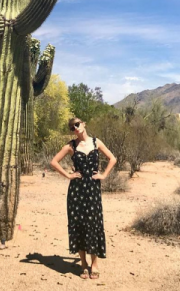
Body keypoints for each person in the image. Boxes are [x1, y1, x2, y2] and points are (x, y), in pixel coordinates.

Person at [50, 117, 117, 280]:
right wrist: (68, 175)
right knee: (79, 224)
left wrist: (103, 175)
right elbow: (53, 162)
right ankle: (83, 263)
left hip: (93, 190)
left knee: (93, 224)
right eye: (72, 127)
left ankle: (94, 263)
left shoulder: (96, 142)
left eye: (77, 124)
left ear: (84, 124)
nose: (75, 128)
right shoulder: (70, 146)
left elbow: (112, 158)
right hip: (77, 191)